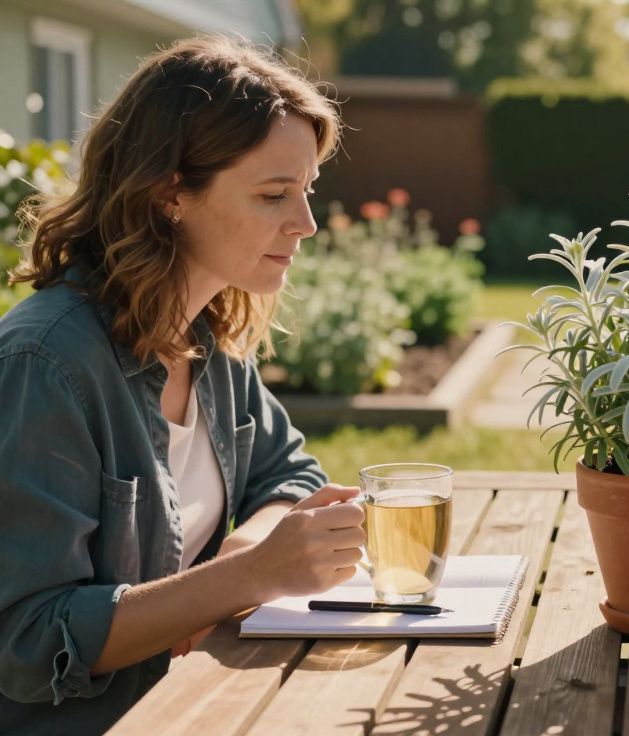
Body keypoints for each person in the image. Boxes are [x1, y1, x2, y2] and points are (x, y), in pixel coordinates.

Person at [0, 37, 367, 733]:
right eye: (273, 195)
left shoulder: (207, 336)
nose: (308, 224)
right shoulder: (44, 365)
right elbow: (28, 639)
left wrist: (246, 546)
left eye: (307, 191)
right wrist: (250, 576)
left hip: (187, 709)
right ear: (171, 193)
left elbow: (288, 472)